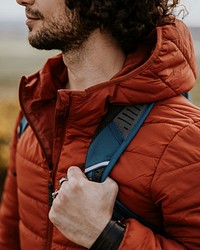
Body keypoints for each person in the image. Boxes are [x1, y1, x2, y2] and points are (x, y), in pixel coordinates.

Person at [0, 0, 200, 249]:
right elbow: (8, 236)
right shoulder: (35, 112)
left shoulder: (185, 139)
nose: (22, 0)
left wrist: (108, 237)